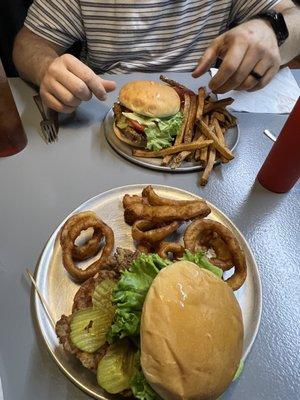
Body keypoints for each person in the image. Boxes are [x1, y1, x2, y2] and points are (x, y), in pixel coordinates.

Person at [13, 0, 300, 113]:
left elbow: (296, 18)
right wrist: (47, 68)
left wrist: (273, 28)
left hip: (202, 109)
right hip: (103, 111)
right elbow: (29, 43)